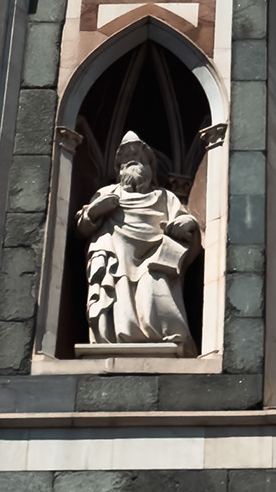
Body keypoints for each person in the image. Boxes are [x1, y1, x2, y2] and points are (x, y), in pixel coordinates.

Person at [79, 133, 201, 346]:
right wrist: (96, 211)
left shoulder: (164, 197)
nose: (133, 164)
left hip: (154, 259)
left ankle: (164, 335)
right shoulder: (107, 193)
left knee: (154, 294)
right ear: (119, 170)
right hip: (117, 257)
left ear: (150, 168)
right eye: (127, 162)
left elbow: (183, 219)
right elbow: (82, 227)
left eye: (139, 160)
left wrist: (187, 225)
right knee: (118, 294)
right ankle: (114, 334)